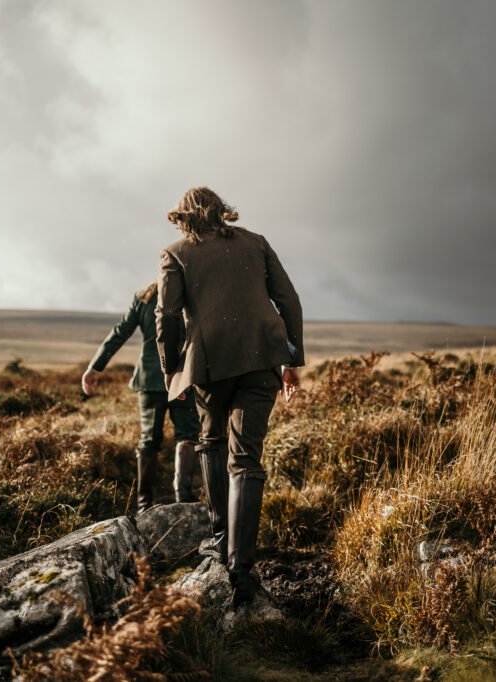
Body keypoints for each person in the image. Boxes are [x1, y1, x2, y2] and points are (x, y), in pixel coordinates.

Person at [156, 186, 303, 608]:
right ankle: (241, 570)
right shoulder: (256, 243)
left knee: (212, 440)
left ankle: (221, 541)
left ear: (183, 217)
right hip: (263, 359)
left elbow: (167, 316)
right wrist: (292, 359)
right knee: (247, 458)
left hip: (208, 364)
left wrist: (171, 371)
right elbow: (288, 299)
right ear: (222, 212)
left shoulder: (176, 253)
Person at [82, 283, 201, 514]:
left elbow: (121, 331)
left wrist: (95, 367)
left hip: (150, 380)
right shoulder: (191, 292)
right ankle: (183, 496)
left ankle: (144, 504)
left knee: (149, 439)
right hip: (182, 375)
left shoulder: (145, 298)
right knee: (187, 434)